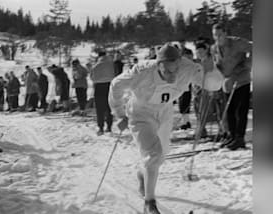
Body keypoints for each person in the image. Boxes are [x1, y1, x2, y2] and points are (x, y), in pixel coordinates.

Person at [109, 44, 204, 214]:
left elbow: (210, 81)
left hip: (165, 113)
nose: (172, 76)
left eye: (175, 71)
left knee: (161, 154)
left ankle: (142, 174)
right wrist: (119, 114)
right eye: (167, 71)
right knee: (154, 154)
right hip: (141, 113)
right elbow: (116, 85)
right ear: (158, 64)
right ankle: (149, 203)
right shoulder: (142, 72)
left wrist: (213, 75)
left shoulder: (187, 67)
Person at [211, 23, 252, 150]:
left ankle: (240, 138)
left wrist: (245, 65)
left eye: (220, 35)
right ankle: (232, 135)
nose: (217, 38)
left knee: (240, 110)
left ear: (225, 33)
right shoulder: (214, 48)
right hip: (227, 82)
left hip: (241, 79)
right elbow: (217, 64)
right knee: (229, 110)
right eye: (215, 35)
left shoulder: (236, 43)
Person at [90, 50, 115, 135]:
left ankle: (101, 127)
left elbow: (92, 77)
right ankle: (109, 126)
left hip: (99, 87)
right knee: (109, 107)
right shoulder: (111, 64)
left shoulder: (96, 66)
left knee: (99, 109)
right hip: (109, 86)